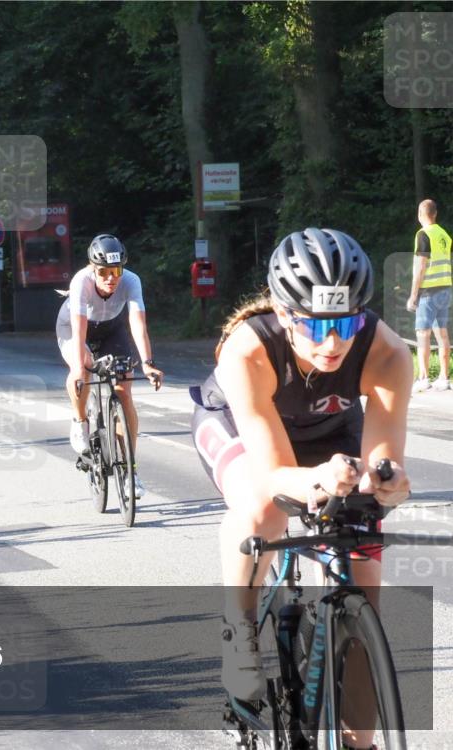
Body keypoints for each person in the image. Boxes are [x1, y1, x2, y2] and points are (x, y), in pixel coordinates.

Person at [190, 228, 412, 746]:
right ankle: (238, 626)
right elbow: (273, 474)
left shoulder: (388, 352)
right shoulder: (248, 350)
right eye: (315, 326)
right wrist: (314, 479)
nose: (332, 343)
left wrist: (388, 481)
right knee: (263, 508)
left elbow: (382, 461)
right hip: (239, 429)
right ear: (285, 313)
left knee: (363, 575)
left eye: (347, 323)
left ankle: (360, 739)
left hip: (330, 433)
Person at [56, 234, 164, 497]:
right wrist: (80, 368)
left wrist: (148, 363)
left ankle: (129, 470)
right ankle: (80, 420)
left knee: (124, 392)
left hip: (112, 328)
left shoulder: (131, 281)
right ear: (93, 269)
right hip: (75, 328)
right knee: (80, 365)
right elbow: (79, 326)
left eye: (116, 271)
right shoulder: (81, 281)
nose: (110, 278)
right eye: (103, 272)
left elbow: (138, 324)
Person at [406, 198, 451, 392]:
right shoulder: (444, 235)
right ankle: (443, 377)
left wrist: (413, 294)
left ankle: (423, 378)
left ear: (420, 215)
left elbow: (421, 266)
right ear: (435, 214)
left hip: (429, 290)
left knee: (422, 334)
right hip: (446, 288)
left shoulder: (423, 234)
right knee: (442, 332)